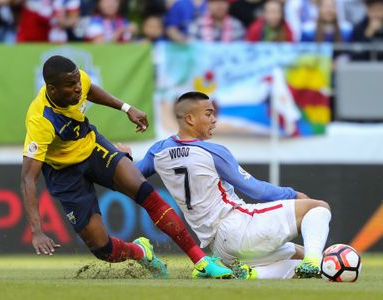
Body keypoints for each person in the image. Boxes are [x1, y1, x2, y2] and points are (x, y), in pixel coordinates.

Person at [20, 56, 234, 279]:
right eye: (71, 85)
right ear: (52, 89)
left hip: (92, 147)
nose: (78, 88)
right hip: (64, 172)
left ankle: (200, 261)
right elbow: (28, 179)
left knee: (145, 191)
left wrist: (126, 108)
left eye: (78, 82)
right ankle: (141, 251)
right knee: (102, 248)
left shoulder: (78, 80)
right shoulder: (40, 121)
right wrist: (36, 231)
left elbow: (90, 89)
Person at [132, 91, 332, 279]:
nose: (214, 120)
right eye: (209, 114)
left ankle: (255, 275)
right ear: (190, 119)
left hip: (219, 250)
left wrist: (122, 157)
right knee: (318, 208)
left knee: (300, 254)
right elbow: (256, 190)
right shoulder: (211, 151)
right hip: (237, 226)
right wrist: (293, 194)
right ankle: (313, 262)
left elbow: (132, 175)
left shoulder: (157, 152)